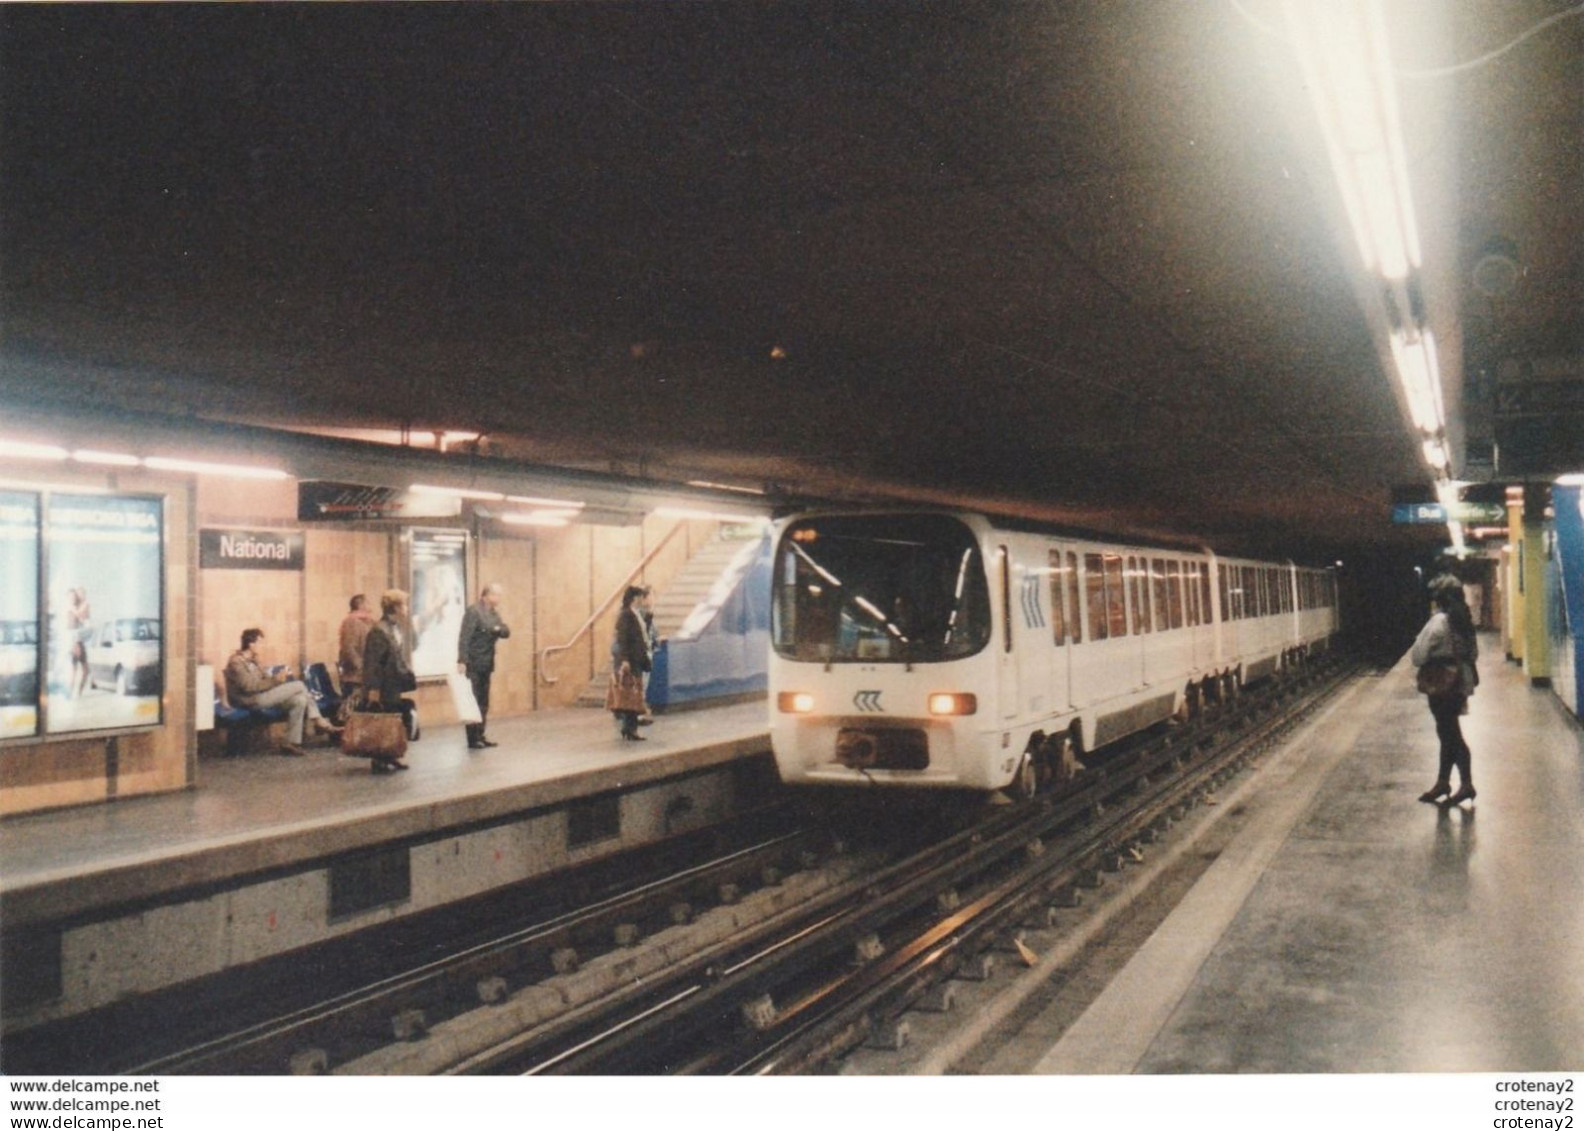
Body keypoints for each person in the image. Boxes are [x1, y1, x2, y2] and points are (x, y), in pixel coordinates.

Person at [1410, 586, 1480, 806]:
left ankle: (1466, 784)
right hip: (1460, 682)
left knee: (1450, 733)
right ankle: (1443, 782)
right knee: (1448, 731)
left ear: (1439, 602)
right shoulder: (1465, 622)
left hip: (1440, 682)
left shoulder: (1439, 621)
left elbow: (1418, 656)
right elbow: (1474, 653)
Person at [224, 627, 340, 757]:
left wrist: (276, 678)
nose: (263, 646)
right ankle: (319, 720)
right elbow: (248, 686)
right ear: (251, 644)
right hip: (249, 700)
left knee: (299, 700)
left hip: (261, 695)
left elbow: (265, 679)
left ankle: (290, 742)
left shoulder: (254, 661)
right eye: (260, 643)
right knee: (300, 685)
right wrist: (275, 681)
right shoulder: (236, 662)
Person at [362, 588, 418, 771]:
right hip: (383, 684)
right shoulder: (379, 631)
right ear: (395, 607)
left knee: (394, 720)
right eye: (404, 604)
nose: (407, 608)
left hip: (393, 682)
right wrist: (373, 690)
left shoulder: (395, 628)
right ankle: (379, 759)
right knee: (383, 721)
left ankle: (392, 754)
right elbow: (373, 663)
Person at [457, 582, 511, 750]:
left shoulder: (494, 614)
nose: (499, 598)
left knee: (483, 701)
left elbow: (505, 631)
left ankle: (481, 733)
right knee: (473, 701)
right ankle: (472, 738)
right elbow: (465, 636)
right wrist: (462, 660)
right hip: (473, 662)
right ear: (486, 596)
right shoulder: (474, 612)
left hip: (487, 663)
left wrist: (495, 628)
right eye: (496, 594)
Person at [610, 585, 651, 741]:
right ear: (634, 598)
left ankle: (629, 728)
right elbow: (624, 639)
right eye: (640, 597)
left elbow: (641, 633)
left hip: (636, 659)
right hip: (631, 660)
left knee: (633, 694)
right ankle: (630, 728)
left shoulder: (634, 614)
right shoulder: (626, 615)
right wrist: (625, 659)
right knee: (632, 695)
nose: (642, 600)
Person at [337, 593, 376, 699]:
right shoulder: (351, 622)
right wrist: (361, 667)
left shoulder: (368, 622)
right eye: (368, 602)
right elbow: (349, 648)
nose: (371, 606)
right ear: (361, 605)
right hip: (354, 678)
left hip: (366, 676)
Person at [67, 587, 92, 698]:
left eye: (74, 596)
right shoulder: (70, 607)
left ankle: (77, 693)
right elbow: (80, 616)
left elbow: (84, 618)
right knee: (75, 670)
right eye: (71, 596)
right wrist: (85, 605)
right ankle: (71, 693)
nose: (74, 598)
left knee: (84, 670)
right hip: (74, 641)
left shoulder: (77, 607)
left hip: (79, 640)